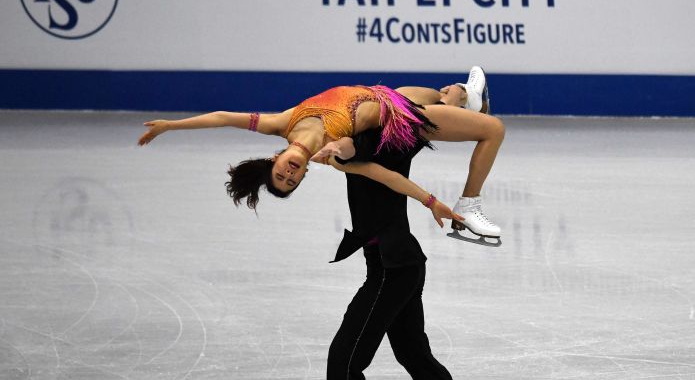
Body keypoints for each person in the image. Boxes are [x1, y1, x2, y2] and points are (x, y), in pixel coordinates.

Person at [138, 68, 503, 242]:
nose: (290, 174)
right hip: (402, 120)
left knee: (448, 94)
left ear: (275, 160)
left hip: (387, 94)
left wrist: (171, 125)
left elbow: (221, 118)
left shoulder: (281, 123)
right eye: (292, 181)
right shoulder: (331, 156)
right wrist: (432, 201)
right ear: (302, 176)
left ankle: (467, 100)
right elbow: (383, 176)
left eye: (281, 174)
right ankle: (469, 206)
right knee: (493, 130)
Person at [318, 125, 472, 380]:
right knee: (413, 353)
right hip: (399, 264)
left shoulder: (371, 142)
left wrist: (336, 149)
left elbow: (347, 147)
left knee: (345, 359)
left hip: (391, 270)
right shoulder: (387, 145)